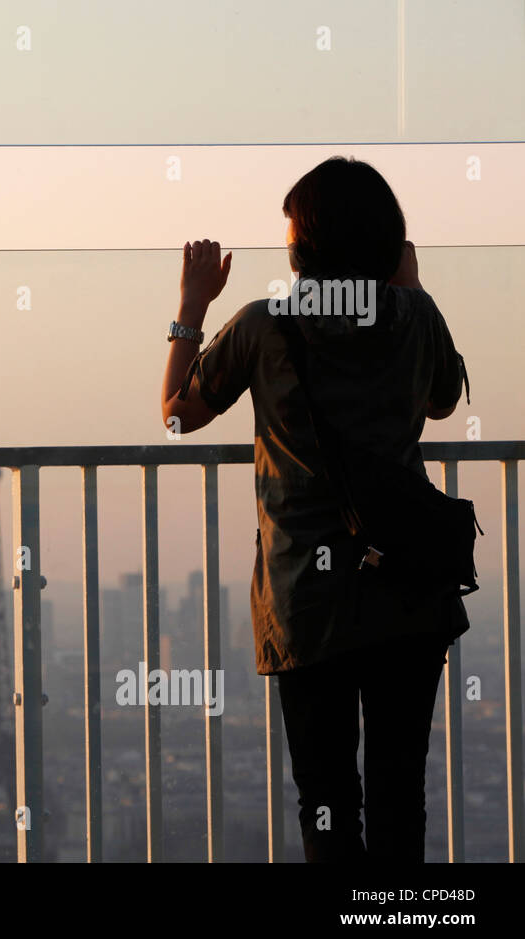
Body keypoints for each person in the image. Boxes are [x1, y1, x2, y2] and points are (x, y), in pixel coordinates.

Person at [159, 156, 470, 862]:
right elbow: (444, 399)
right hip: (406, 588)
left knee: (326, 800)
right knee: (400, 795)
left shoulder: (267, 325)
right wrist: (409, 285)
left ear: (301, 248)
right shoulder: (413, 315)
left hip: (307, 595)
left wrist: (192, 306)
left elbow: (179, 414)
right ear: (389, 242)